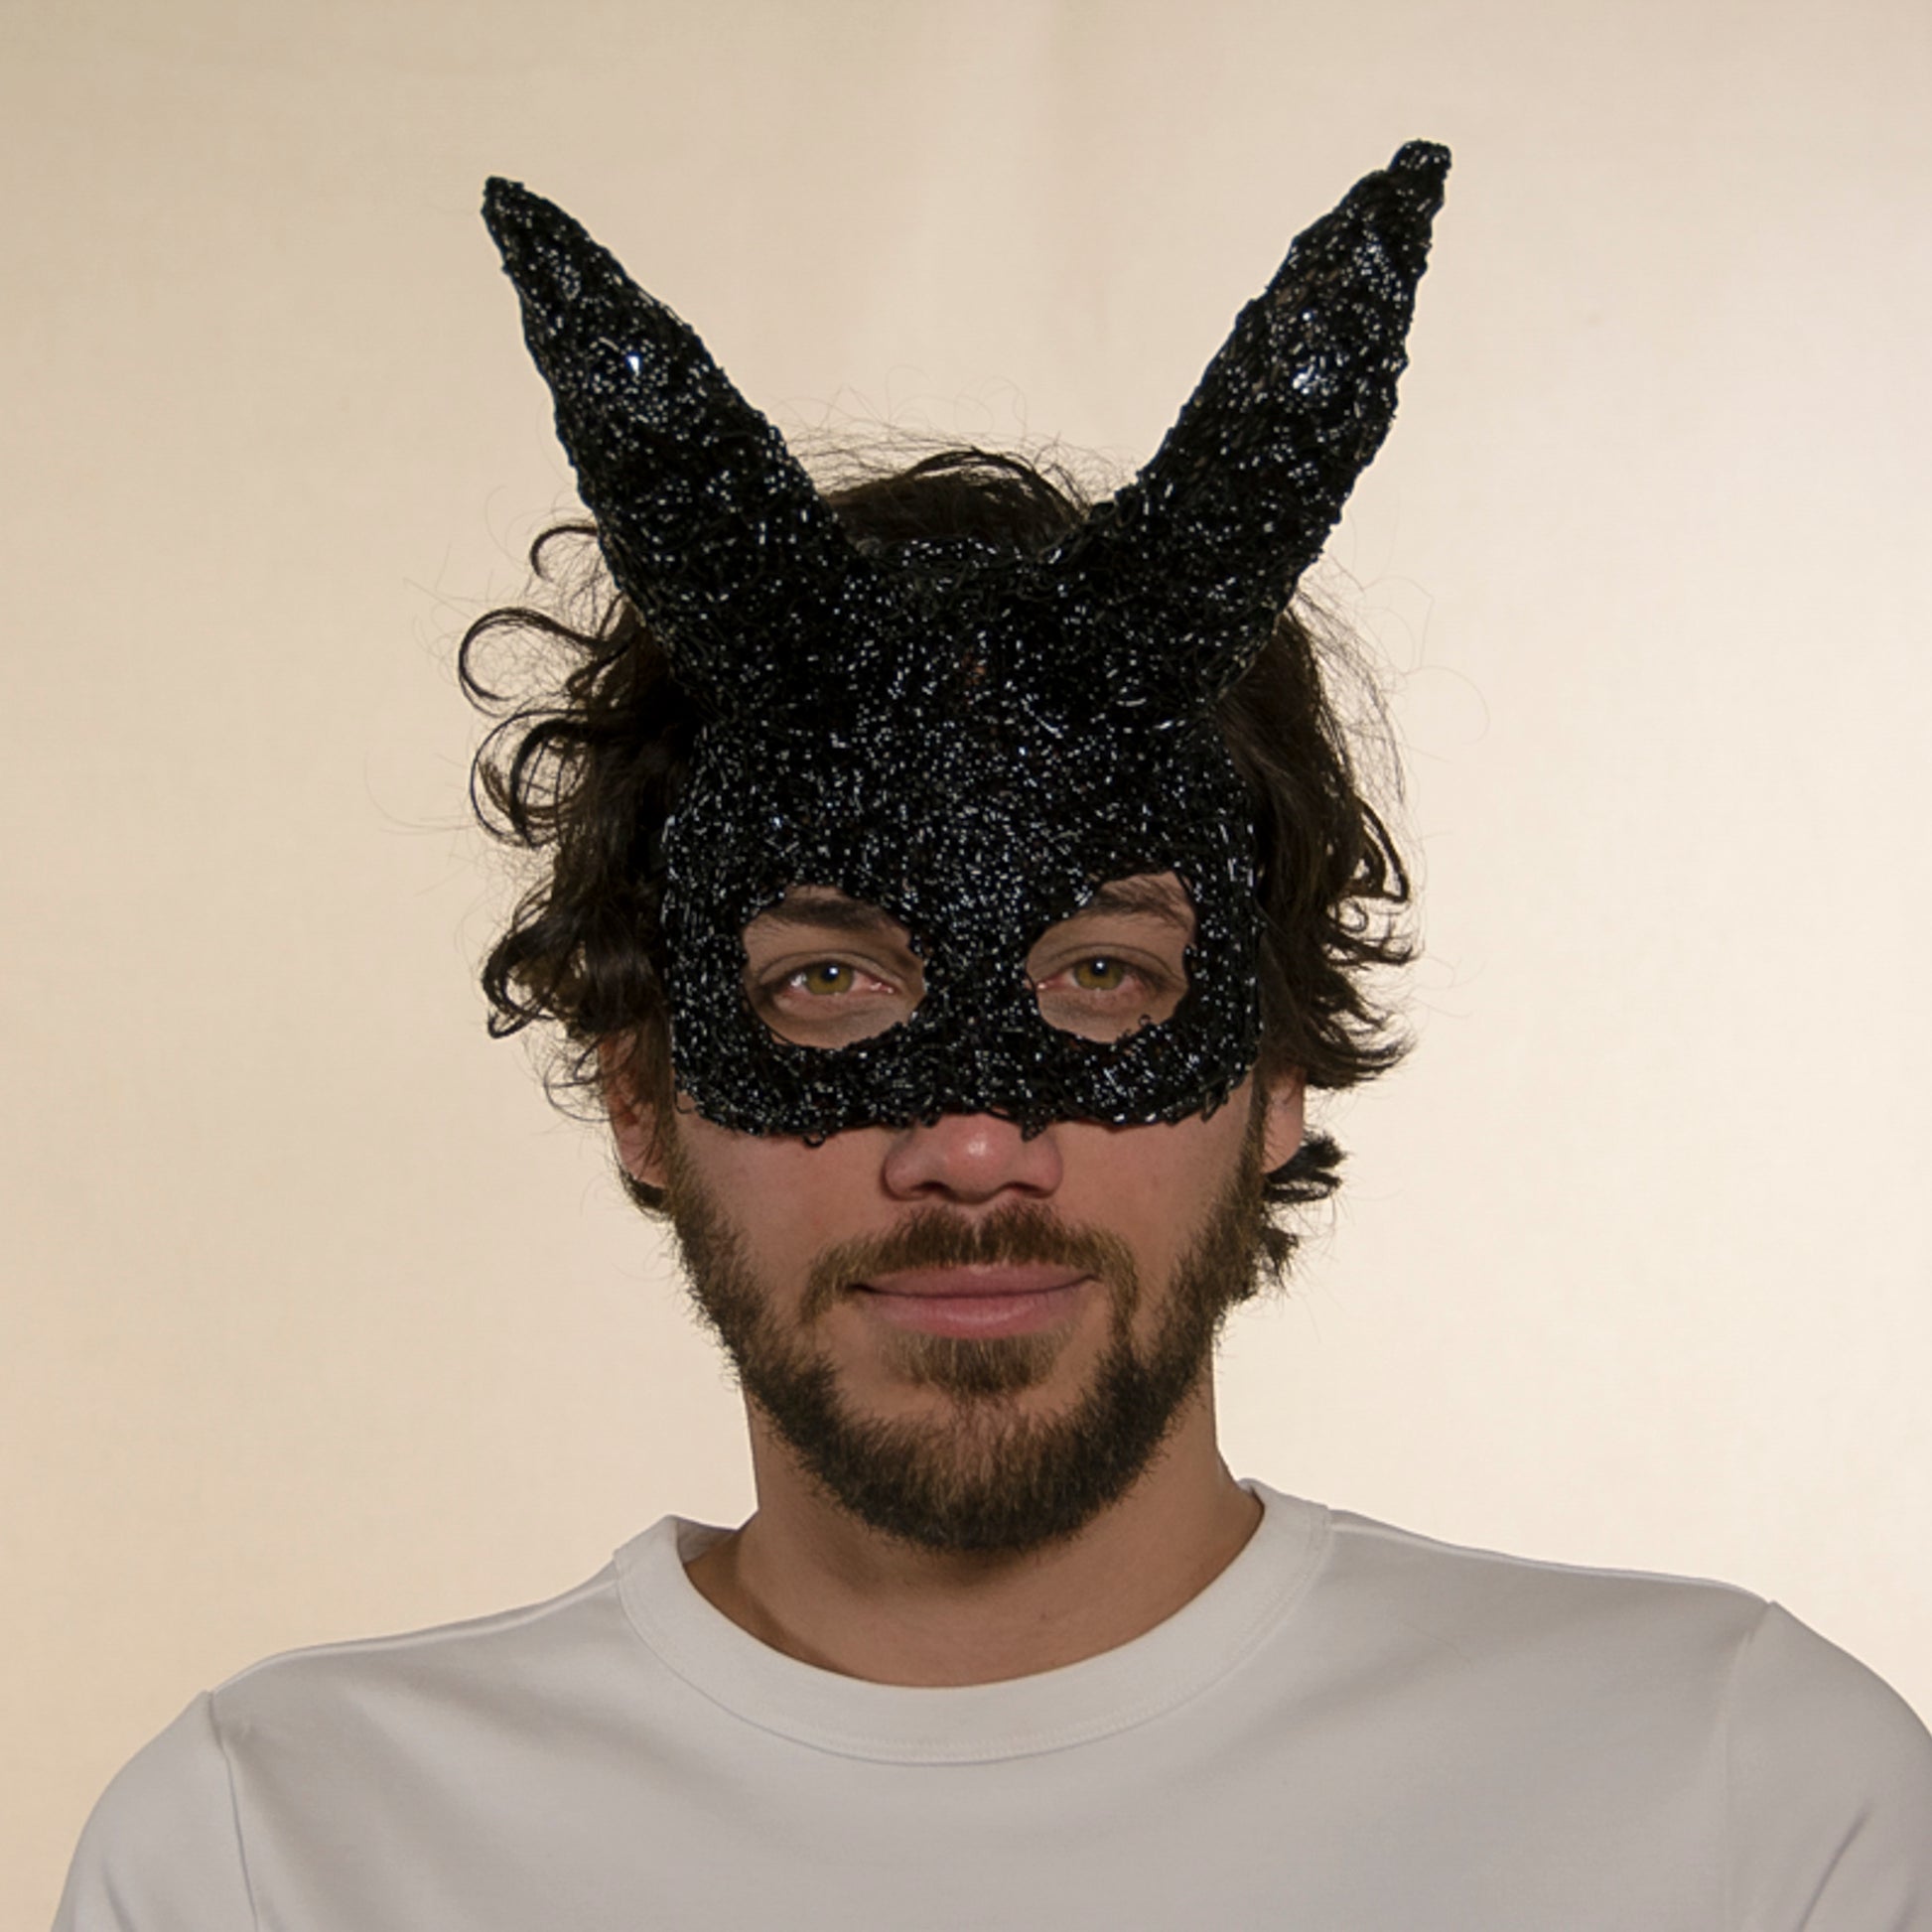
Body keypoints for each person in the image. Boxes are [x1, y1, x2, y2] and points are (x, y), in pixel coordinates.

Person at [55, 142, 1932, 1931]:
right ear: (640, 1088)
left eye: (1104, 976)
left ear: (1276, 1071)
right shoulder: (280, 1846)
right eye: (824, 986)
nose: (970, 1144)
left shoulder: (1737, 1796)